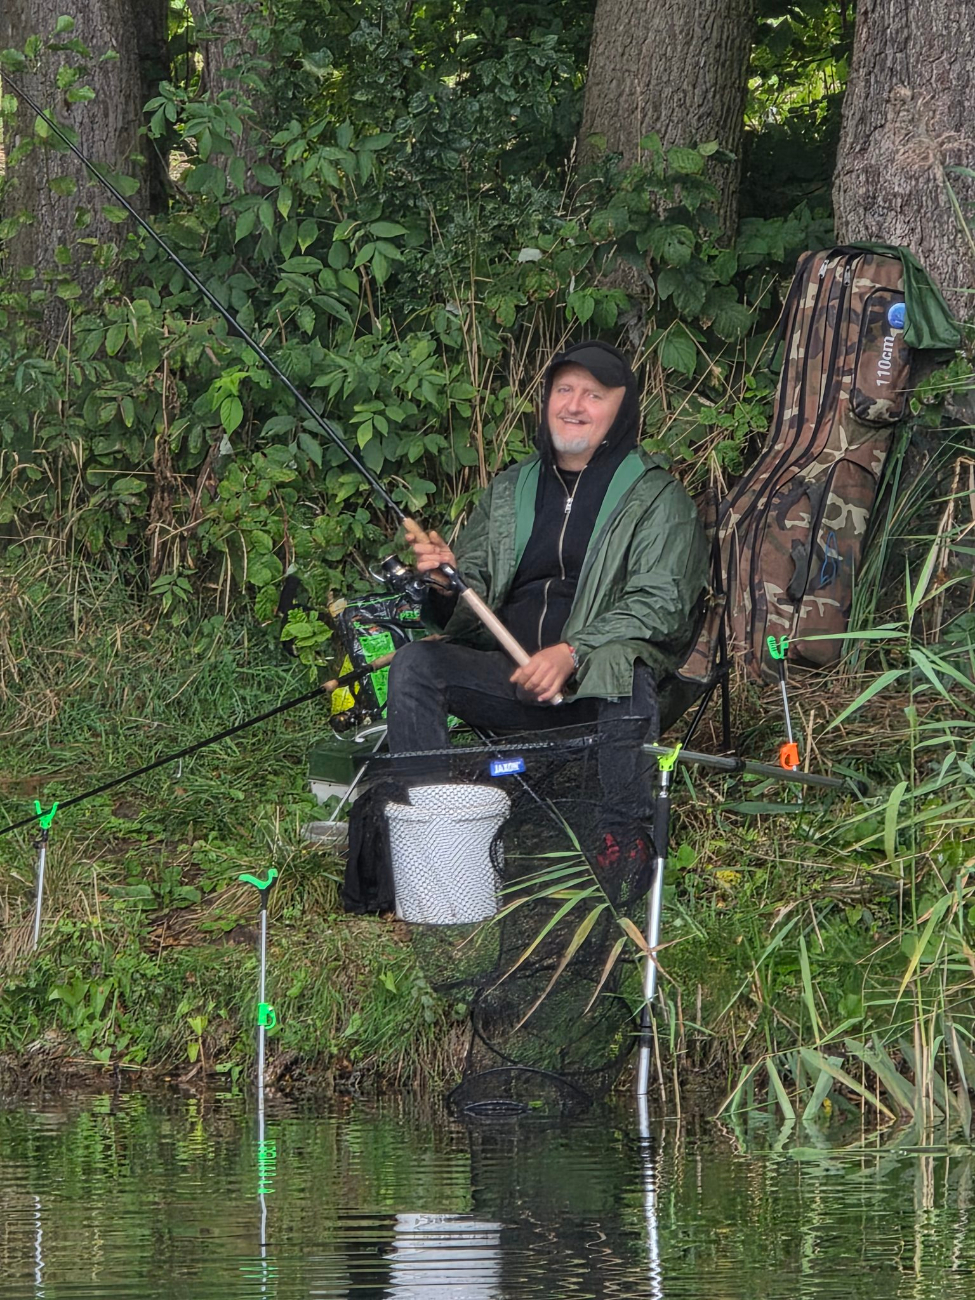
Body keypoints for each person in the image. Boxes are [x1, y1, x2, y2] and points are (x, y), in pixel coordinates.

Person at [385, 339, 708, 877]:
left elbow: (662, 605)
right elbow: (476, 588)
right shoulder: (511, 488)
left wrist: (571, 652)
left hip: (595, 693)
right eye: (564, 390)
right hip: (511, 679)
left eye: (593, 395)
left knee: (620, 663)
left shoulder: (657, 498)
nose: (574, 406)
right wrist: (446, 584)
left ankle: (622, 843)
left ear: (622, 409)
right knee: (417, 663)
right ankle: (435, 833)